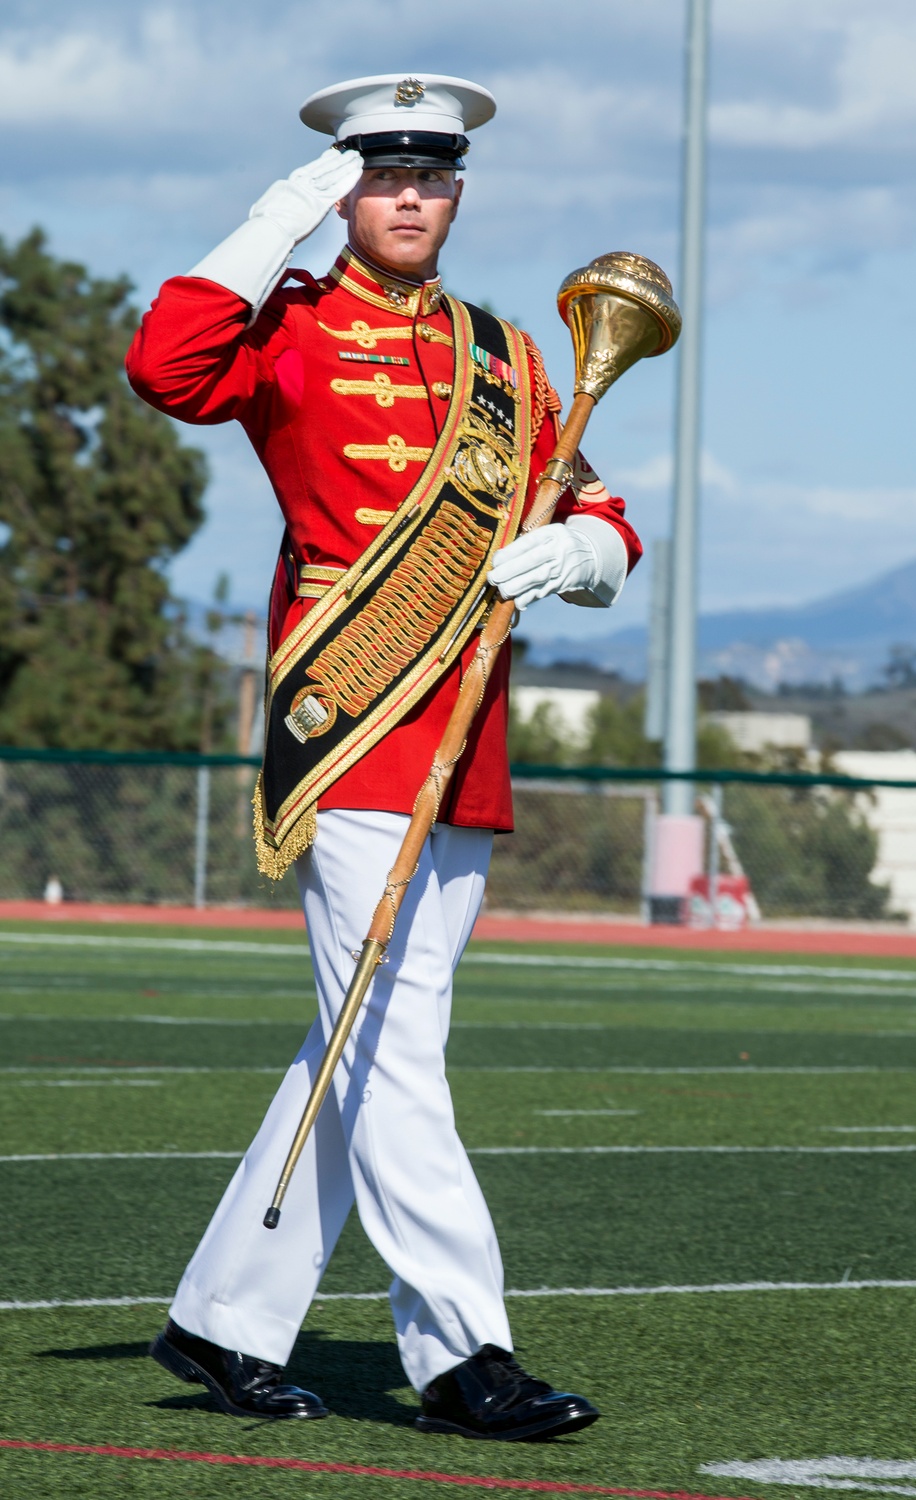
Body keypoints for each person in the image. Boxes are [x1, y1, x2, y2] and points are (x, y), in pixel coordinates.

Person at [127, 73, 642, 1442]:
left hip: (463, 734)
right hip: (350, 719)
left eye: (432, 177)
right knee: (400, 1044)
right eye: (383, 175)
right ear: (347, 191)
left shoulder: (507, 355)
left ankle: (223, 1317)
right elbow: (166, 367)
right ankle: (464, 1352)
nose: (410, 196)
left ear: (459, 193)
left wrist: (586, 553)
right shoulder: (291, 331)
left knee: (361, 1038)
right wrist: (270, 224)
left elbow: (591, 500)